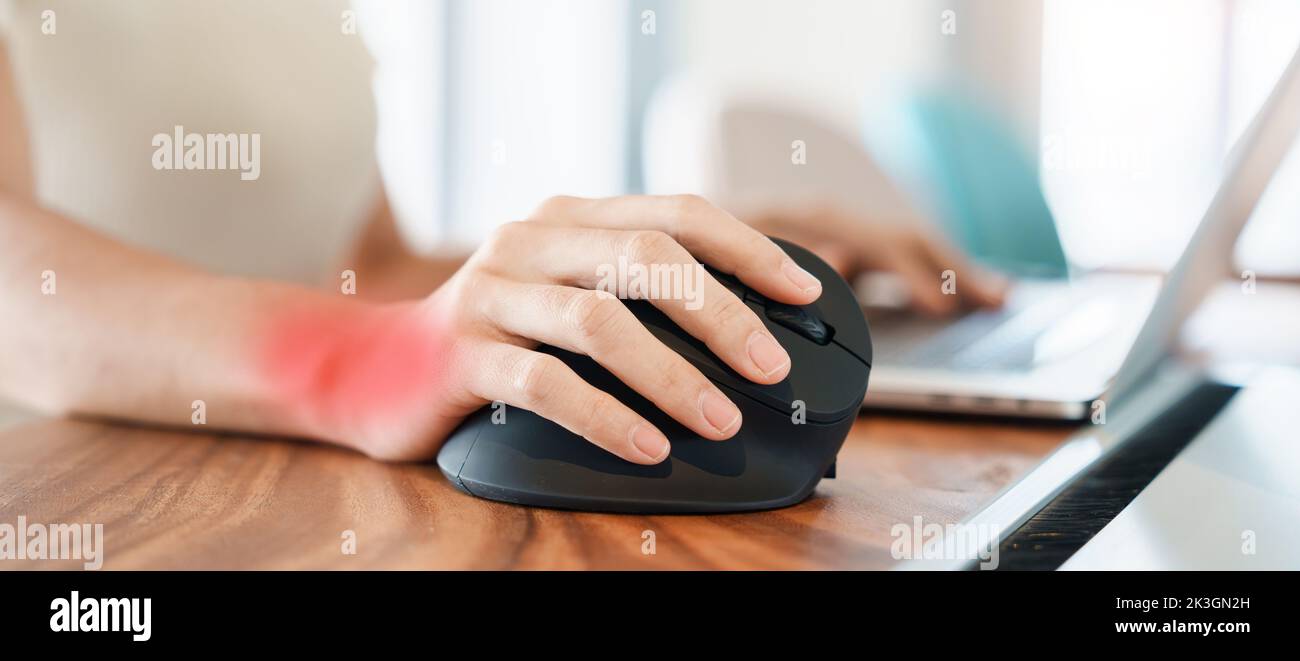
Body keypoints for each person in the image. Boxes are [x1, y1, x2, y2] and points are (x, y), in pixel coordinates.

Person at [0, 0, 1003, 466]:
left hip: (298, 482)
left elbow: (369, 264)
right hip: (81, 495)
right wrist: (360, 363)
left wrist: (628, 264)